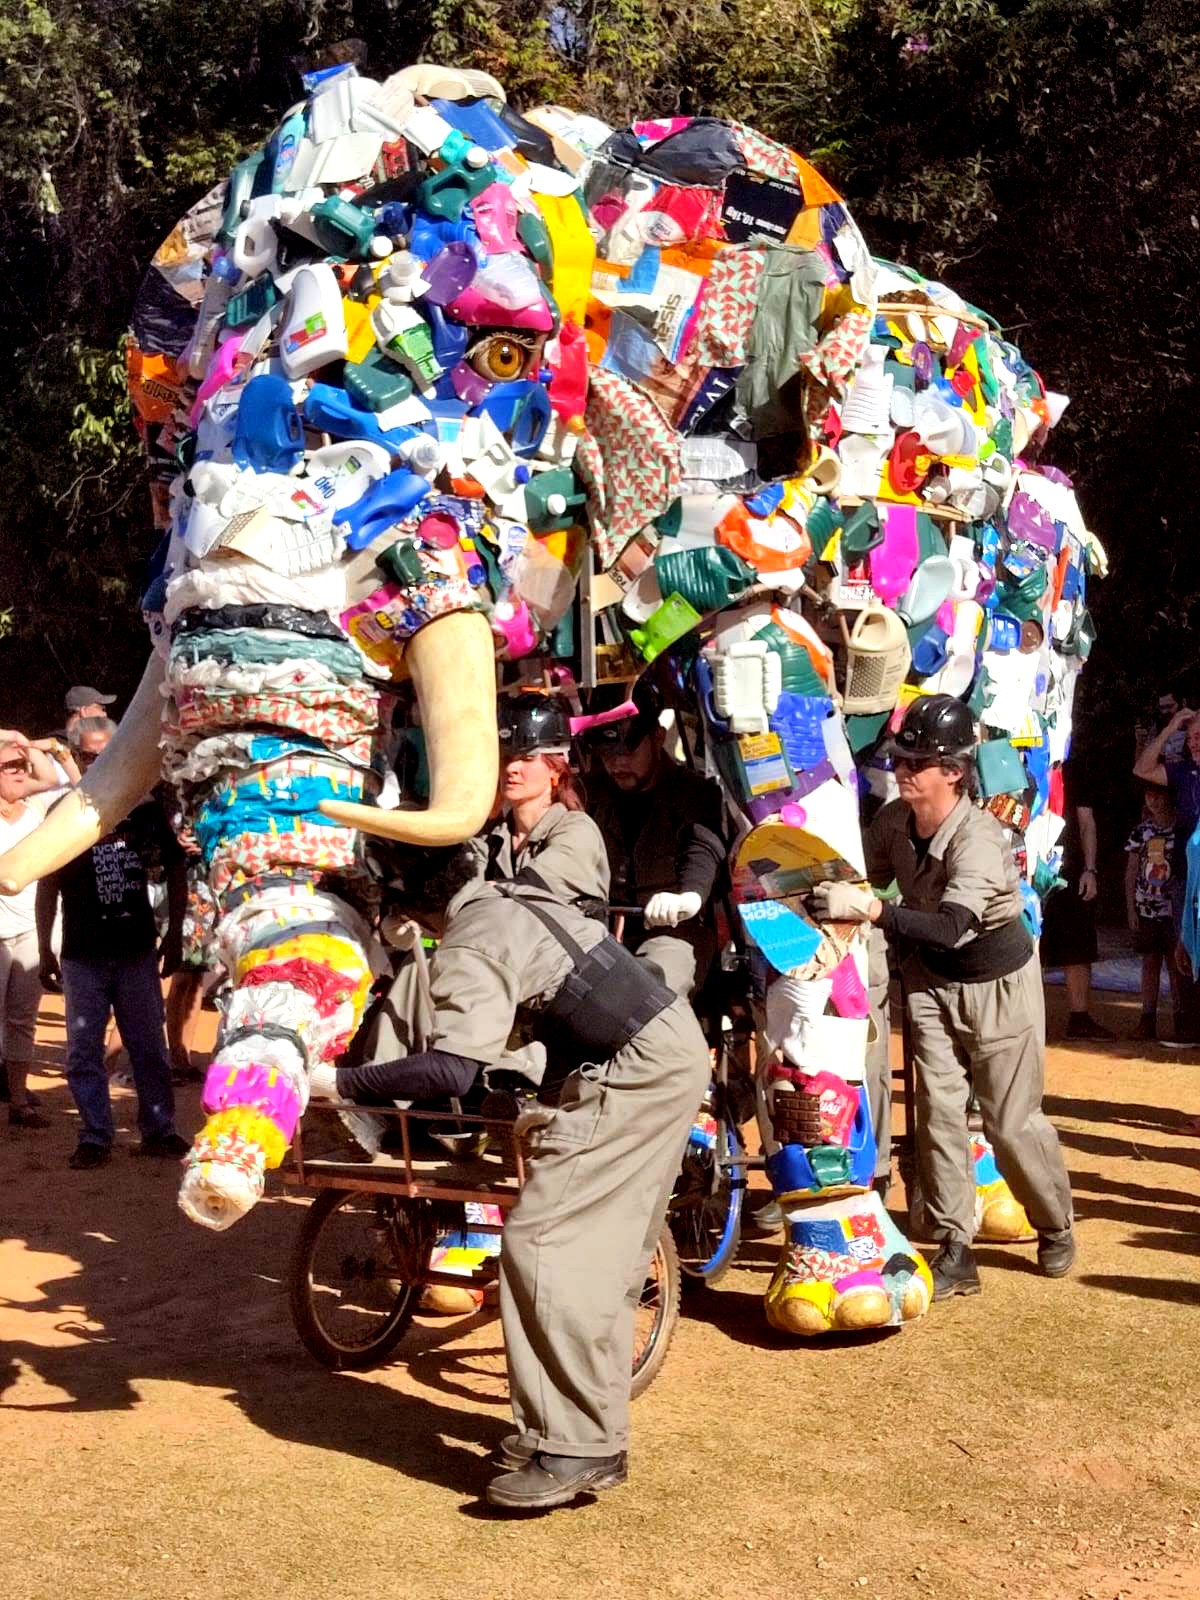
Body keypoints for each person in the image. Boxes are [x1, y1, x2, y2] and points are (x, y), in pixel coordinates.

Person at [313, 844, 709, 1510]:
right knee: (608, 1258)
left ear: (408, 906)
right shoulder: (508, 894)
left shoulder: (470, 941)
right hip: (667, 1048)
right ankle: (582, 1435)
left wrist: (339, 1082)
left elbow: (452, 1069)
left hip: (628, 1071)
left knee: (542, 1245)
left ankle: (573, 1446)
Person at [812, 695, 1075, 1301]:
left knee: (1010, 1124)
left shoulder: (978, 839)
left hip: (997, 985)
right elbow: (860, 873)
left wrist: (873, 909)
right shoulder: (893, 823)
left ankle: (1054, 1222)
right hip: (930, 982)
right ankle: (956, 1244)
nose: (902, 770)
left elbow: (953, 926)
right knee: (937, 1114)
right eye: (899, 759)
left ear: (953, 772)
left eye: (916, 763)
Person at [35, 717, 189, 1168]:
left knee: (149, 1047)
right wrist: (44, 948)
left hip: (136, 949)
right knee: (83, 1050)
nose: (98, 762)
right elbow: (47, 883)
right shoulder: (62, 812)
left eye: (106, 753)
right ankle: (95, 1136)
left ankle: (159, 1130)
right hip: (82, 953)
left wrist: (175, 933)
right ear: (75, 757)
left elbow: (175, 867)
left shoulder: (143, 810)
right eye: (88, 756)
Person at [585, 682, 726, 999]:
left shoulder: (694, 793)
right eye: (607, 753)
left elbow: (703, 845)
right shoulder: (588, 794)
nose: (617, 763)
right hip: (597, 930)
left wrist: (688, 896)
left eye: (629, 751)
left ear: (658, 737)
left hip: (673, 930)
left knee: (648, 992)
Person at [485, 695, 610, 906]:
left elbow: (534, 886)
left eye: (527, 758)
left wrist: (483, 893)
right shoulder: (493, 836)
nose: (511, 768)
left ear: (556, 768)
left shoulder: (578, 830)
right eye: (505, 758)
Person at [1133, 706, 1200, 1046]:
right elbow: (1142, 768)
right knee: (1184, 945)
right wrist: (1172, 727)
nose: (1193, 743)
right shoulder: (1184, 771)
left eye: (1199, 737)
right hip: (1186, 873)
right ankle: (1189, 1025)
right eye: (1190, 738)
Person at [1038, 754, 1112, 1040]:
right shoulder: (1022, 761)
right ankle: (1031, 1019)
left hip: (1068, 869)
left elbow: (1086, 822)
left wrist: (1089, 869)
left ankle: (1079, 1017)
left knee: (1078, 944)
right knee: (1030, 943)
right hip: (1028, 866)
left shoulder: (1075, 769)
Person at [0, 741, 50, 1129]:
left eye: (22, 764)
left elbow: (51, 778)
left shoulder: (36, 810)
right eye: (10, 765)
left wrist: (31, 746)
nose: (20, 770)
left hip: (31, 928)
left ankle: (18, 1101)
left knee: (23, 1018)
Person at [1124, 784, 1180, 1042]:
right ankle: (1147, 1019)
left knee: (1177, 963)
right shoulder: (1141, 832)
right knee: (1150, 963)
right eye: (1149, 796)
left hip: (1174, 909)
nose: (1154, 801)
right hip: (1146, 908)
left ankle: (1182, 1017)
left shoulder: (1182, 829)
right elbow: (1131, 870)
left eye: (1159, 795)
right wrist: (1131, 908)